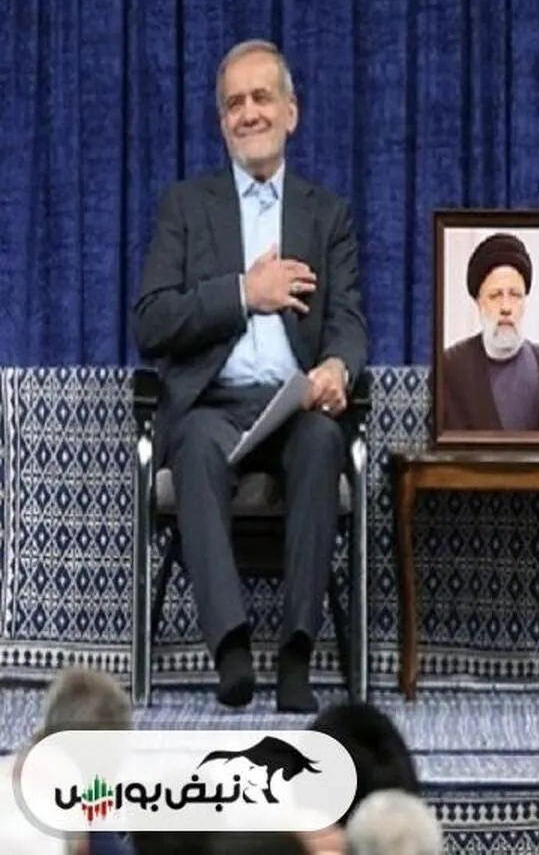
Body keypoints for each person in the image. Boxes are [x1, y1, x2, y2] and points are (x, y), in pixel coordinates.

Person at [133, 39, 368, 713]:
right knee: (196, 447)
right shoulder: (186, 206)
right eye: (234, 103)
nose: (248, 113)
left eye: (262, 97)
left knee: (322, 442)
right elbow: (151, 320)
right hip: (212, 404)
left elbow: (349, 320)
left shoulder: (326, 214)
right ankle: (231, 647)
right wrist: (244, 292)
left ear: (291, 112)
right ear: (222, 122)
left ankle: (297, 653)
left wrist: (337, 366)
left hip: (295, 405)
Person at [439, 232, 539, 433]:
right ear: (479, 303)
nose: (506, 307)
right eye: (495, 296)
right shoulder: (449, 368)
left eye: (515, 295)